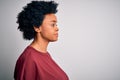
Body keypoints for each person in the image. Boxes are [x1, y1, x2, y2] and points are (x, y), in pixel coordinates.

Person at [14, 1, 69, 80]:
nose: (57, 28)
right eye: (52, 24)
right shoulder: (29, 59)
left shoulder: (45, 55)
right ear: (37, 27)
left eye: (56, 24)